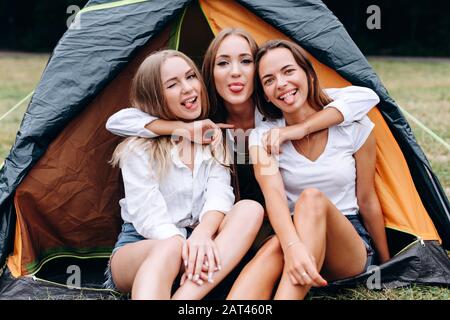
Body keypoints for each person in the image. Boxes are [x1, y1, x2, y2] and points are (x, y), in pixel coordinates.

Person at [106, 28, 382, 254]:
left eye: (246, 61)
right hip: (223, 225)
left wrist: (299, 129)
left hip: (277, 224)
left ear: (258, 71)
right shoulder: (204, 119)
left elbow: (364, 97)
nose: (235, 72)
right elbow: (119, 121)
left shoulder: (277, 112)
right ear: (209, 75)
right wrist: (181, 128)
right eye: (223, 63)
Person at [227, 39, 390, 300]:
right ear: (265, 93)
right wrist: (292, 247)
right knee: (274, 249)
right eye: (269, 80)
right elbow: (275, 199)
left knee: (311, 198)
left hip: (348, 243)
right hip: (293, 235)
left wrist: (386, 263)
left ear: (308, 74)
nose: (281, 84)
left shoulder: (353, 125)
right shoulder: (262, 137)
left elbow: (367, 199)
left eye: (288, 71)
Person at [104, 49, 264, 300]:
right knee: (170, 247)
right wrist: (184, 129)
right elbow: (148, 216)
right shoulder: (139, 147)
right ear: (155, 96)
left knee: (250, 209)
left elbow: (219, 194)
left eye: (191, 77)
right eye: (172, 84)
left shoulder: (212, 140)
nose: (188, 88)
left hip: (200, 241)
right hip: (145, 245)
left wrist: (202, 235)